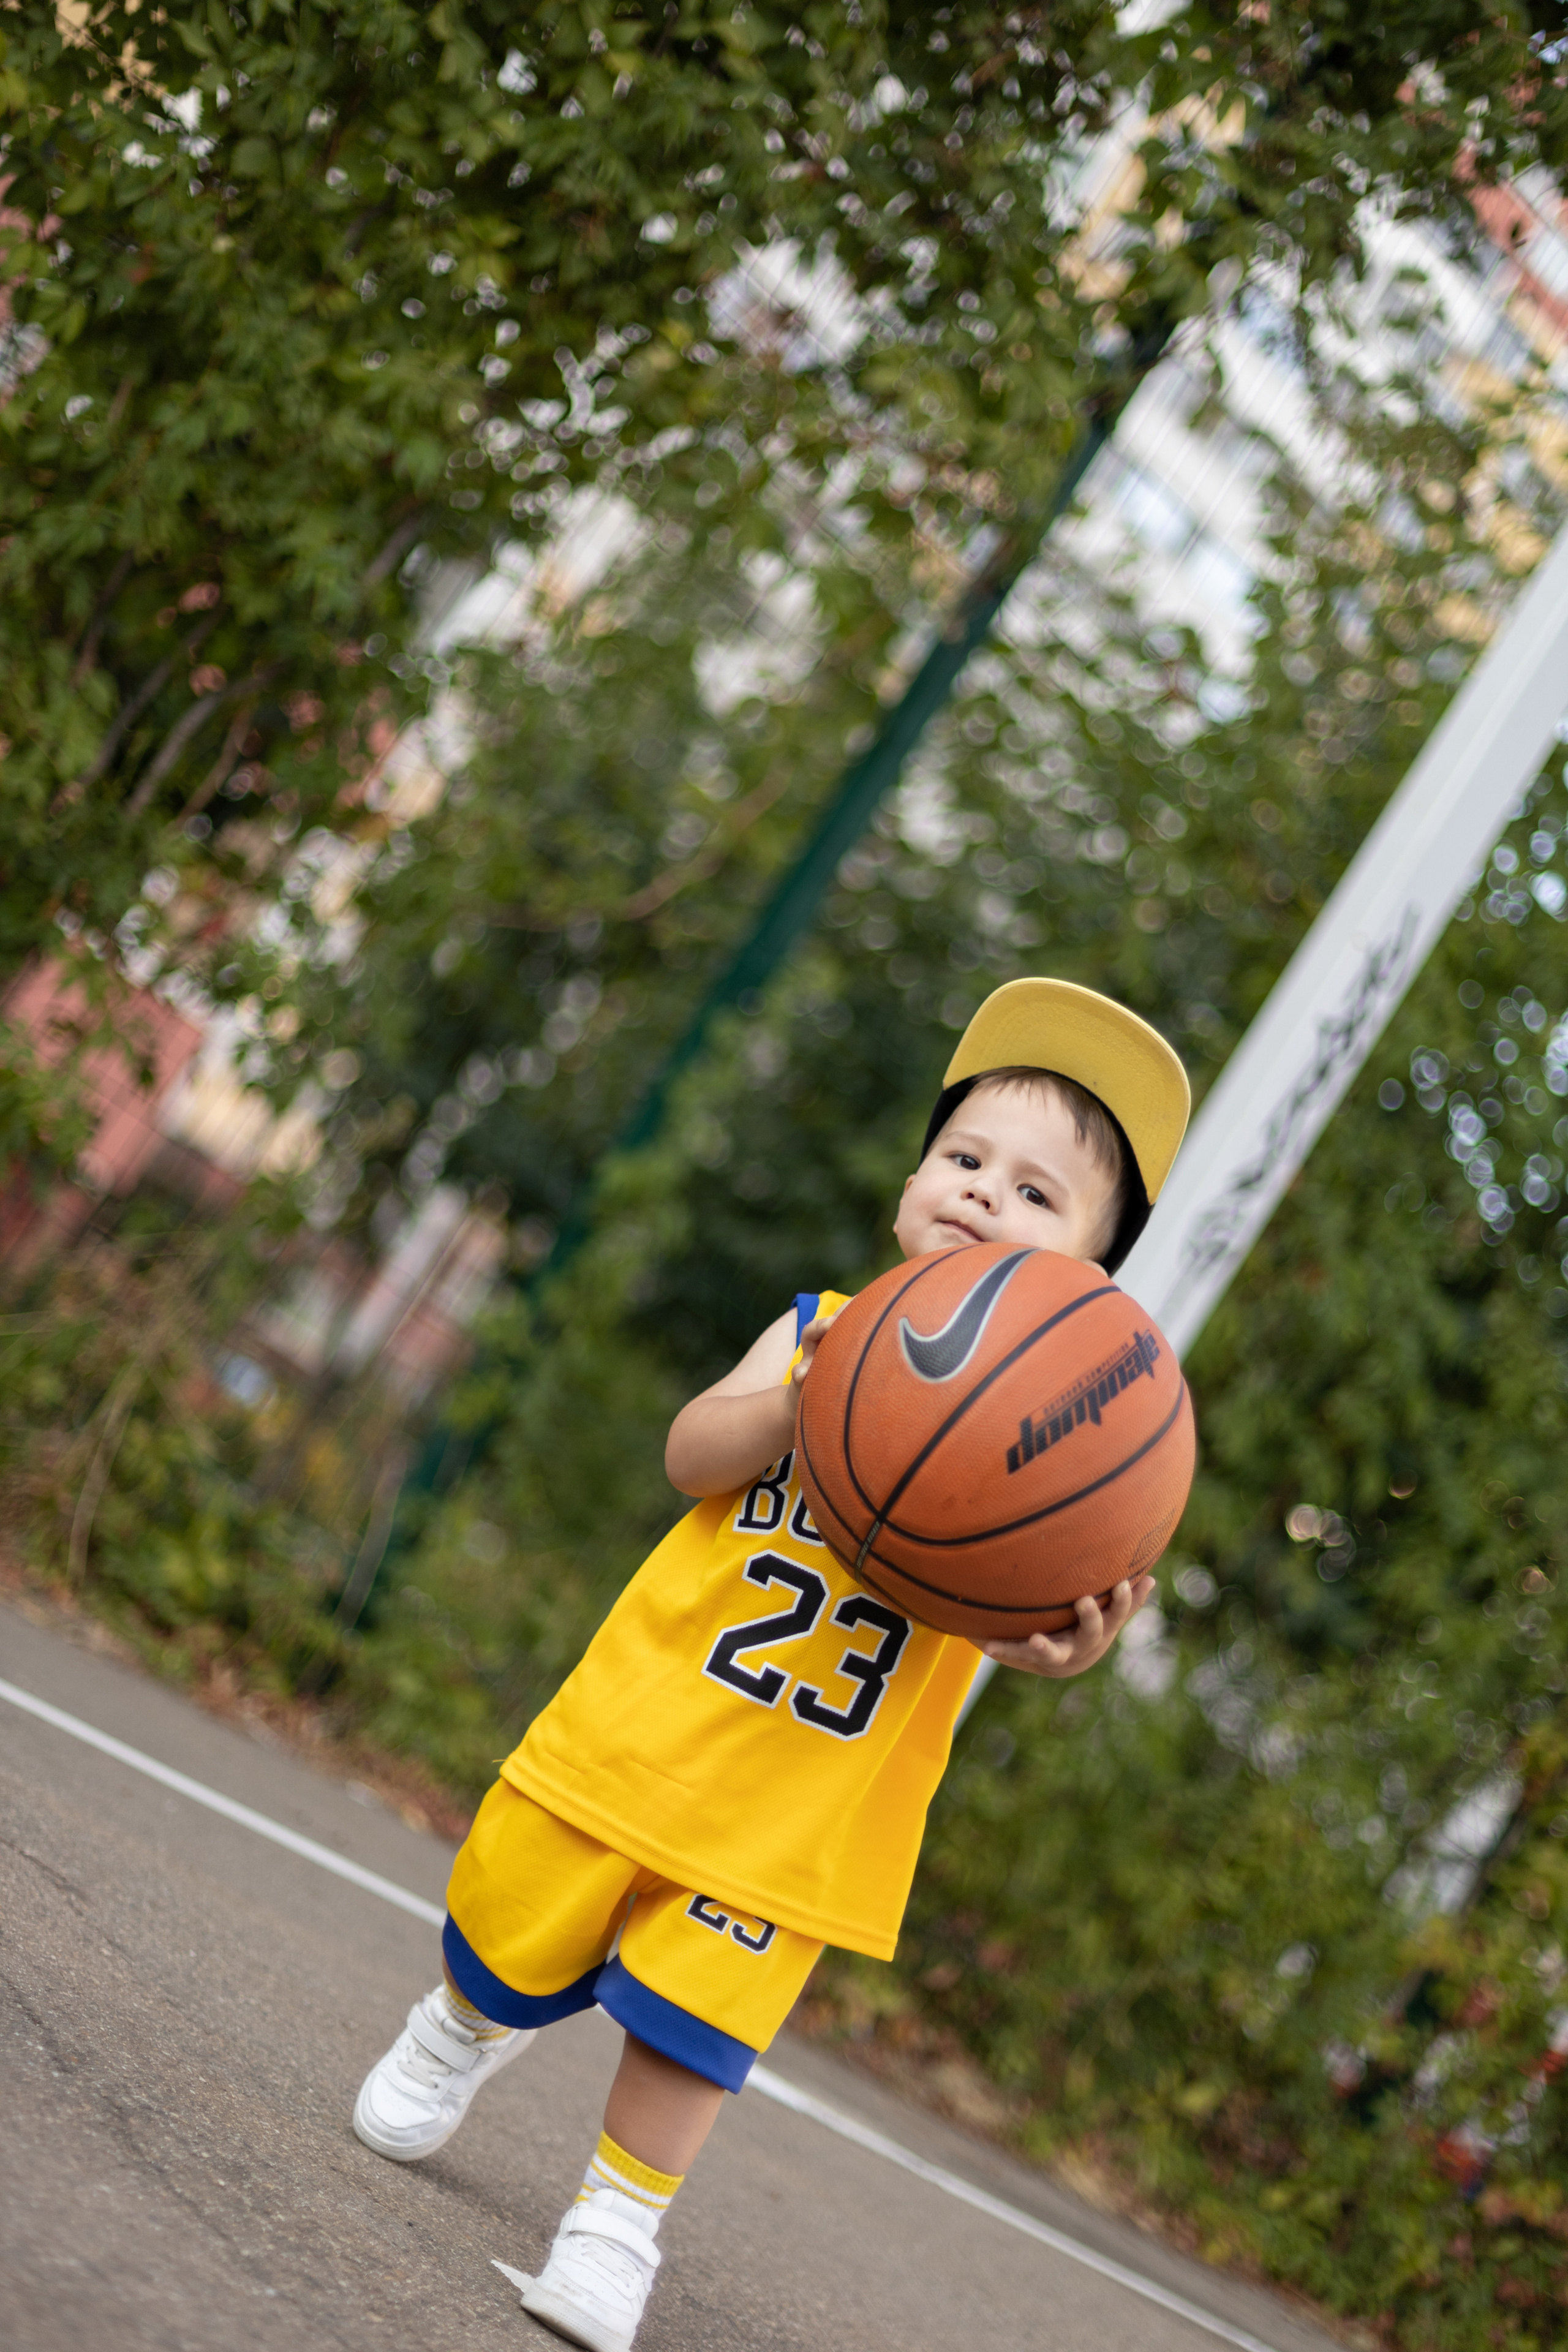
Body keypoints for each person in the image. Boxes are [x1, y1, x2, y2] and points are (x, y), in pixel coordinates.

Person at [352, 976, 1190, 2352]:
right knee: (505, 1924)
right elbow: (689, 1456)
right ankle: (459, 2024)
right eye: (964, 1159)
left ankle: (616, 2223)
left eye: (1036, 1196)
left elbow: (1003, 1619)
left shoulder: (1047, 1456)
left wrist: (1052, 1647)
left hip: (792, 1815)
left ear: (1089, 1280)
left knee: (693, 2025)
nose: (982, 1195)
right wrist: (797, 1400)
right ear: (913, 1178)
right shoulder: (817, 1330)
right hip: (643, 1733)